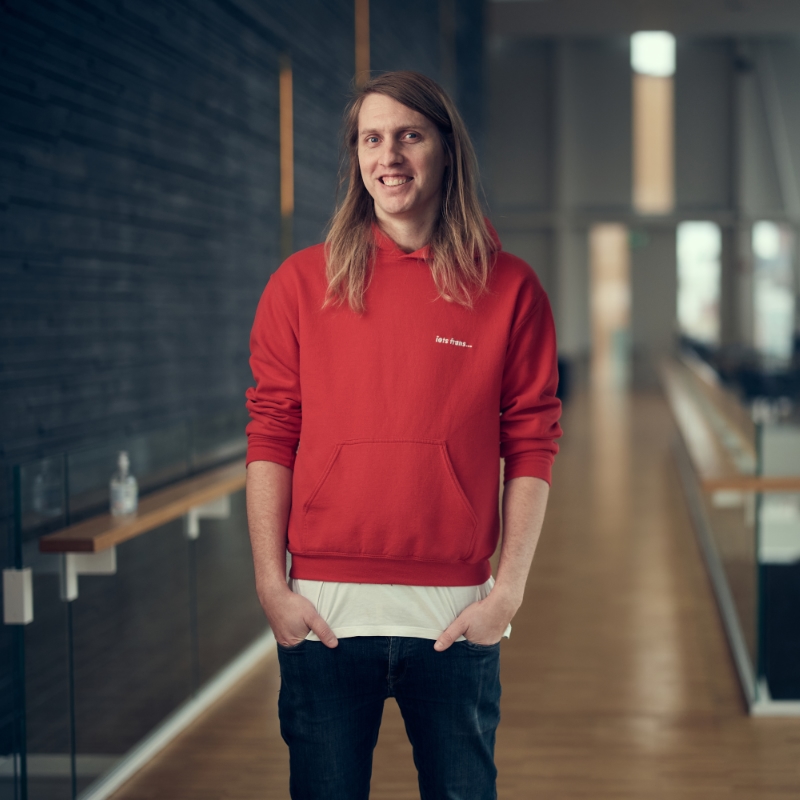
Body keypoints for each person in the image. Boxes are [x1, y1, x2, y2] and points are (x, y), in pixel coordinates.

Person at [245, 70, 562, 800]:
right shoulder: (299, 284)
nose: (389, 155)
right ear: (356, 158)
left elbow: (533, 442)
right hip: (324, 612)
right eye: (372, 138)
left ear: (447, 150)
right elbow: (271, 434)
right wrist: (271, 583)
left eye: (409, 135)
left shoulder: (509, 289)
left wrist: (506, 594)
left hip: (454, 616)